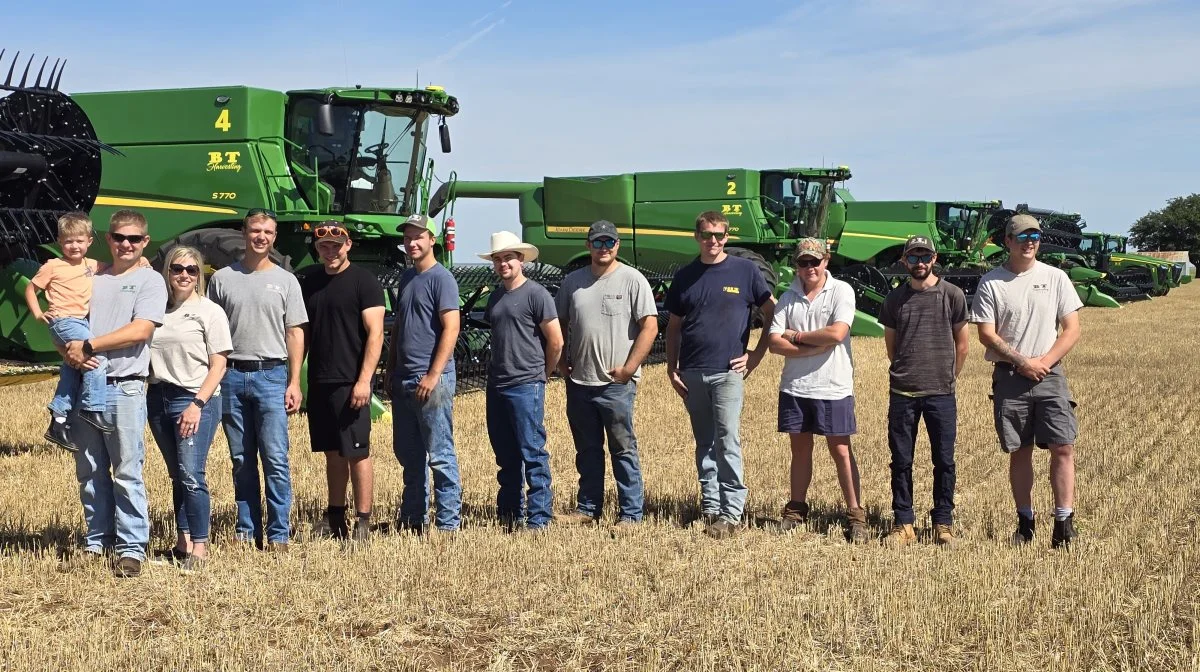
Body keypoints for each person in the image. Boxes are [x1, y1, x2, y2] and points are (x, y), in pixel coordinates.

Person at [61, 208, 167, 578]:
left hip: (125, 387)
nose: (126, 244)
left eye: (134, 239)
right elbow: (63, 317)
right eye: (119, 237)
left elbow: (141, 330)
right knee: (89, 470)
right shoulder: (93, 277)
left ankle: (131, 547)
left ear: (145, 242)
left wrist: (89, 346)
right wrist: (68, 351)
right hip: (84, 385)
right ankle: (96, 541)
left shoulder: (150, 281)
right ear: (107, 238)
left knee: (127, 471)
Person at [970, 213, 1083, 548]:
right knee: (1020, 450)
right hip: (1010, 377)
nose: (1029, 242)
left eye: (1034, 236)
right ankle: (1025, 521)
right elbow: (985, 335)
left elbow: (1072, 329)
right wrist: (1021, 362)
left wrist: (1043, 364)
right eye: (1021, 237)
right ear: (1008, 241)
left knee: (1063, 446)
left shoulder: (1056, 278)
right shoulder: (991, 282)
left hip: (1049, 375)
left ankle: (1064, 521)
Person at [665, 210, 775, 539]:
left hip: (728, 373)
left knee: (727, 441)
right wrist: (672, 368)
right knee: (705, 443)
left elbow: (772, 312)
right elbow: (673, 328)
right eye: (707, 235)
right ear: (696, 237)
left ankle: (732, 511)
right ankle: (710, 506)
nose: (713, 241)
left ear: (726, 237)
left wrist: (755, 355)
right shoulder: (685, 277)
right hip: (693, 372)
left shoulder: (745, 271)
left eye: (719, 235)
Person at [207, 208, 308, 551]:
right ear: (245, 232)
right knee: (241, 459)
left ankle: (279, 533)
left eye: (267, 231)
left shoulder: (286, 281)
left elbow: (295, 333)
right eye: (255, 230)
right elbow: (212, 334)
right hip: (232, 377)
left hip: (271, 375)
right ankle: (246, 530)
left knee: (276, 458)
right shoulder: (221, 279)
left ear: (274, 237)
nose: (261, 236)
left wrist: (294, 382)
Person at [555, 220, 658, 528]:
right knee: (586, 450)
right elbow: (558, 323)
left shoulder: (632, 280)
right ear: (588, 245)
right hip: (579, 382)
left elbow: (650, 326)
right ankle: (588, 508)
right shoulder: (572, 282)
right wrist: (561, 361)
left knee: (623, 449)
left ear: (618, 246)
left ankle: (630, 513)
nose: (603, 248)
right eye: (597, 242)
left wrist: (629, 369)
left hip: (616, 385)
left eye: (609, 242)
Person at [766, 238, 867, 543]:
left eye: (815, 261)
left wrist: (795, 337)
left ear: (826, 261)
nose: (809, 268)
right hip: (796, 386)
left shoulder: (841, 291)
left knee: (840, 450)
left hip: (832, 385)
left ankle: (856, 515)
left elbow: (837, 333)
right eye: (802, 262)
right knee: (800, 450)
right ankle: (796, 509)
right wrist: (811, 348)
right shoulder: (787, 296)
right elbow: (772, 342)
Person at [879, 236, 969, 546]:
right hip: (903, 392)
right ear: (904, 261)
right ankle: (904, 522)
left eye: (925, 256)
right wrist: (907, 370)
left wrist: (946, 377)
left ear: (935, 258)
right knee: (901, 460)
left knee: (944, 460)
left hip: (941, 393)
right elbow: (892, 346)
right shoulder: (894, 300)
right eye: (914, 257)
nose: (920, 262)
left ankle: (943, 523)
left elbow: (963, 344)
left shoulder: (952, 295)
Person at [147, 246, 232, 572]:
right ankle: (182, 544)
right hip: (157, 398)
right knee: (176, 475)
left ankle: (200, 546)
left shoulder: (209, 311)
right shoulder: (156, 311)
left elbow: (219, 364)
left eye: (191, 270)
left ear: (200, 275)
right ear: (167, 272)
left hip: (195, 399)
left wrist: (197, 404)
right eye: (177, 269)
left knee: (191, 475)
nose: (184, 275)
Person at [301, 222, 385, 542]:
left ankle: (362, 521)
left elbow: (376, 334)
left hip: (351, 382)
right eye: (324, 246)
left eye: (336, 245)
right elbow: (302, 333)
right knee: (332, 453)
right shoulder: (310, 282)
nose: (330, 251)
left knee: (357, 452)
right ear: (317, 248)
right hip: (320, 381)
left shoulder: (364, 282)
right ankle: (335, 516)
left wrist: (364, 380)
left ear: (348, 245)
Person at [26, 212, 132, 450]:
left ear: (89, 242)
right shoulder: (53, 265)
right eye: (68, 241)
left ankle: (59, 419)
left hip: (81, 322)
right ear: (59, 242)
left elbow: (115, 268)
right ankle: (92, 408)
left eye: (79, 241)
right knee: (95, 356)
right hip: (64, 321)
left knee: (73, 367)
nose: (74, 246)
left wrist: (140, 263)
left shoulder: (91, 265)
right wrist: (38, 313)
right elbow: (31, 289)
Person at [479, 231, 563, 532]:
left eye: (508, 258)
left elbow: (556, 341)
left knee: (533, 452)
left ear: (521, 260)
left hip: (526, 383)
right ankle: (510, 512)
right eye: (498, 259)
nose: (503, 264)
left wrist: (543, 373)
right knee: (505, 453)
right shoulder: (496, 297)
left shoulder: (537, 294)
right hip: (498, 383)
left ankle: (539, 517)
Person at [388, 214, 462, 535]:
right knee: (409, 453)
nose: (412, 243)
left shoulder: (442, 279)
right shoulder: (407, 279)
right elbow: (402, 327)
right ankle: (414, 519)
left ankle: (447, 524)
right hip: (404, 378)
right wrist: (390, 370)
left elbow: (452, 327)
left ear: (432, 240)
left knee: (440, 454)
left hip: (432, 379)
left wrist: (433, 375)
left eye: (418, 237)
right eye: (407, 238)